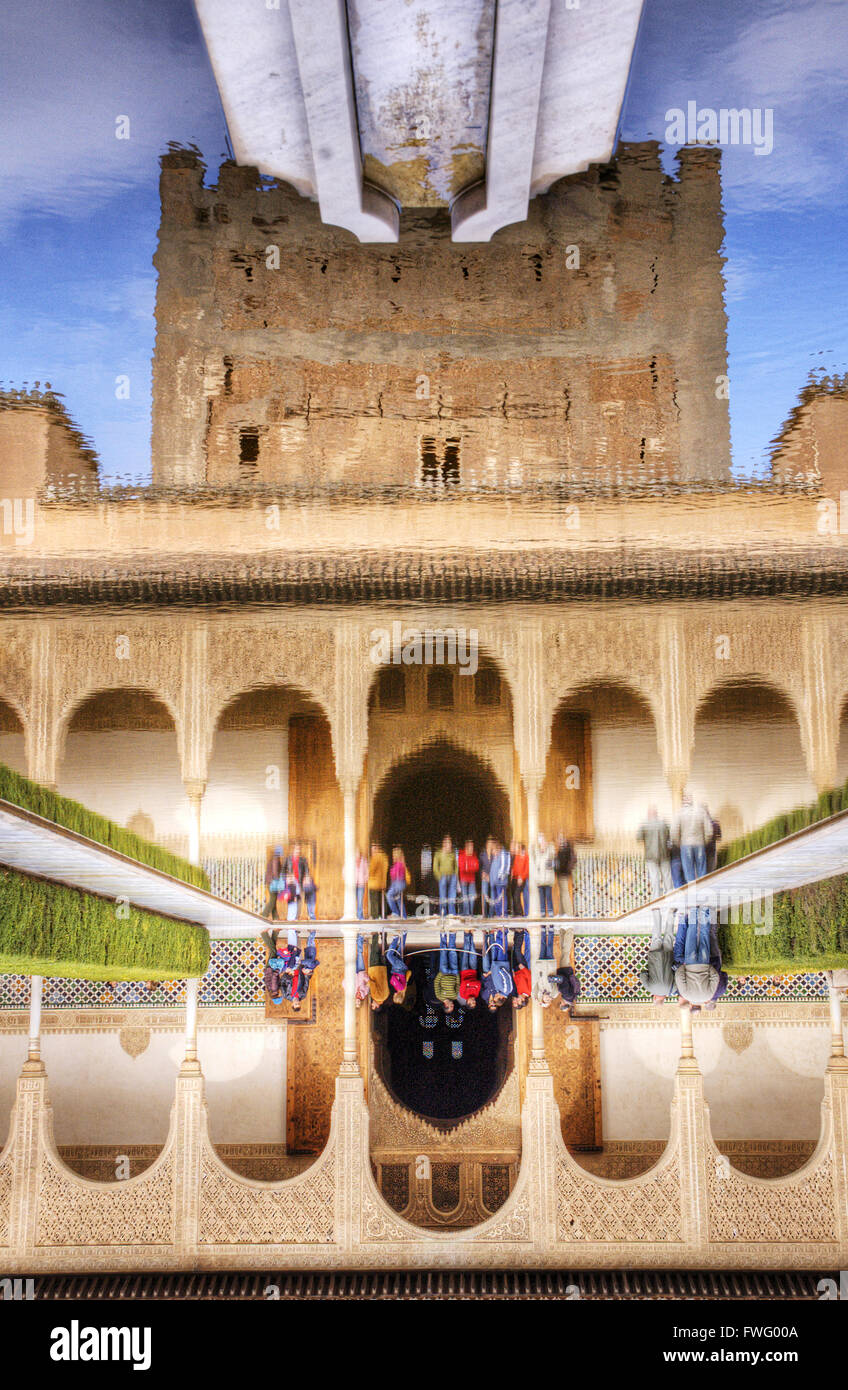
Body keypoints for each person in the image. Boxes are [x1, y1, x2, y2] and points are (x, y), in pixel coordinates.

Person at [673, 912, 728, 1009]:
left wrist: (708, 967)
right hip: (690, 964)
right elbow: (679, 977)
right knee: (691, 935)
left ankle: (705, 912)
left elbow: (715, 977)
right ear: (691, 1005)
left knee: (704, 936)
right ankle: (693, 911)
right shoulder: (686, 995)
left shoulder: (708, 996)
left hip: (704, 963)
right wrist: (684, 967)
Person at [639, 910, 678, 1003]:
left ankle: (671, 914)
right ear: (655, 998)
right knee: (656, 936)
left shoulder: (672, 990)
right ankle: (656, 913)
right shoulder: (650, 988)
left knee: (669, 936)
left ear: (664, 999)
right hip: (654, 957)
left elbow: (677, 975)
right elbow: (643, 974)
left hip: (668, 958)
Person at [637, 806, 672, 899]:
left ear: (648, 814)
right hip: (664, 854)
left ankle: (656, 899)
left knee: (654, 878)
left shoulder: (644, 825)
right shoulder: (664, 824)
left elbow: (639, 838)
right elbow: (670, 836)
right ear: (656, 814)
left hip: (650, 856)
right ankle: (670, 898)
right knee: (667, 878)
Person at [548, 927, 581, 1014]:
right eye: (560, 1003)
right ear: (563, 1004)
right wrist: (551, 979)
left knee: (564, 952)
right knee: (566, 951)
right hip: (565, 970)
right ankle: (569, 932)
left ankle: (562, 931)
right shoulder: (566, 994)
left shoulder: (571, 997)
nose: (560, 1001)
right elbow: (563, 979)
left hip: (567, 971)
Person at [481, 928, 513, 1009]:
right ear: (501, 998)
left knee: (496, 947)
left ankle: (499, 932)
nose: (495, 995)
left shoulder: (499, 991)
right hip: (501, 964)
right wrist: (499, 970)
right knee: (502, 948)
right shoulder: (507, 990)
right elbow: (507, 977)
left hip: (495, 965)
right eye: (496, 997)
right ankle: (504, 931)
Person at [289, 928, 320, 1011]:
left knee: (297, 951)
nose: (297, 1003)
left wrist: (288, 974)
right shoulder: (303, 994)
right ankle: (311, 935)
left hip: (294, 970)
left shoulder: (287, 995)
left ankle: (296, 935)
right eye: (298, 1004)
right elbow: (306, 983)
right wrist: (306, 973)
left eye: (296, 1004)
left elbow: (284, 982)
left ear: (292, 1004)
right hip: (301, 971)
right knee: (306, 954)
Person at [434, 930, 460, 1012]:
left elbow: (436, 983)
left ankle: (443, 935)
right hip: (454, 972)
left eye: (451, 1006)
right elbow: (457, 984)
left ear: (446, 1005)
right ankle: (452, 934)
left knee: (443, 952)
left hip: (444, 972)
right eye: (453, 1006)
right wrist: (457, 975)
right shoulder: (455, 996)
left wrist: (441, 974)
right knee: (453, 952)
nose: (453, 1005)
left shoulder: (439, 996)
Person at [531, 923, 556, 1007]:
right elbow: (557, 987)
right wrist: (551, 996)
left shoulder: (540, 990)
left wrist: (537, 1000)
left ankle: (543, 930)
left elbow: (533, 991)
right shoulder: (553, 993)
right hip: (550, 965)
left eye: (546, 1000)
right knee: (549, 946)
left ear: (543, 999)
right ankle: (551, 930)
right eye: (549, 1000)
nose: (548, 998)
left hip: (541, 965)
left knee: (542, 945)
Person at [433, 835, 458, 917]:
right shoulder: (438, 853)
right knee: (443, 896)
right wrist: (439, 877)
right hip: (443, 876)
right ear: (444, 844)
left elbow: (456, 865)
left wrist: (456, 875)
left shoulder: (453, 853)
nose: (449, 844)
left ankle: (452, 914)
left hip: (452, 877)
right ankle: (443, 914)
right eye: (447, 842)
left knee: (452, 897)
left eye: (450, 842)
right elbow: (435, 867)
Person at [386, 929, 412, 1003]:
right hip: (398, 969)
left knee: (400, 950)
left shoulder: (402, 988)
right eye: (394, 997)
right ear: (396, 996)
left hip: (401, 968)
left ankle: (404, 934)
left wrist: (396, 979)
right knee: (389, 955)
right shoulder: (400, 988)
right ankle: (396, 939)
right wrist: (394, 980)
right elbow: (392, 979)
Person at [532, 833, 556, 916]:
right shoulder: (537, 853)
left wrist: (548, 846)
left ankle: (550, 912)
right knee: (541, 899)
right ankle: (542, 913)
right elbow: (532, 850)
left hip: (548, 879)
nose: (542, 844)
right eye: (540, 842)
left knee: (549, 897)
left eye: (543, 841)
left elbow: (553, 855)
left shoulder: (550, 851)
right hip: (540, 880)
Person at [458, 929, 481, 1008]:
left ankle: (466, 933)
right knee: (473, 951)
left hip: (464, 970)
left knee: (466, 950)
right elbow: (478, 983)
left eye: (472, 1002)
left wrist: (470, 983)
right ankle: (471, 935)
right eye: (475, 1002)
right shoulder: (476, 994)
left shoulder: (463, 994)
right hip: (473, 970)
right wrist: (469, 983)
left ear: (468, 1002)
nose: (474, 1001)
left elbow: (464, 982)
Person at [367, 932, 390, 1010]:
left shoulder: (386, 996)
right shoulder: (376, 996)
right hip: (375, 970)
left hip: (383, 970)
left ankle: (384, 935)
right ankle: (375, 935)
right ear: (377, 1006)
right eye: (373, 1005)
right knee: (374, 951)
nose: (372, 1003)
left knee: (384, 951)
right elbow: (372, 983)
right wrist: (366, 983)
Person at [554, 832, 576, 915]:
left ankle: (569, 913)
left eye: (560, 839)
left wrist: (565, 870)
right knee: (562, 893)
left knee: (565, 893)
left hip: (564, 873)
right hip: (561, 873)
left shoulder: (566, 849)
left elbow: (567, 862)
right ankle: (562, 912)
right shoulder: (563, 849)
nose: (558, 841)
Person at [261, 846, 285, 919]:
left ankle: (276, 918)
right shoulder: (276, 860)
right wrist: (279, 882)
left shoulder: (272, 859)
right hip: (273, 883)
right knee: (272, 901)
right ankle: (264, 915)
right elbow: (275, 872)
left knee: (273, 901)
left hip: (269, 882)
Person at [386, 845, 410, 917]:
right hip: (397, 883)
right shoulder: (400, 864)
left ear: (397, 855)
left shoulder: (399, 864)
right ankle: (404, 916)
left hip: (398, 883)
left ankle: (395, 912)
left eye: (394, 855)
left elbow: (395, 875)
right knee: (399, 901)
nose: (393, 856)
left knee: (389, 895)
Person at [511, 927, 532, 1008]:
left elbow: (517, 982)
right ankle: (520, 932)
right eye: (519, 1001)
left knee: (514, 950)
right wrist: (523, 968)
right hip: (522, 967)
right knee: (517, 950)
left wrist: (514, 975)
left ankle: (517, 932)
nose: (517, 999)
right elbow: (529, 977)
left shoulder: (519, 992)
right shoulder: (529, 991)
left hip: (516, 970)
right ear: (523, 1000)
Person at [489, 839, 511, 917]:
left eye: (493, 850)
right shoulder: (494, 858)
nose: (493, 852)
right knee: (496, 900)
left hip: (500, 882)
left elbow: (504, 867)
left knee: (501, 898)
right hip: (495, 883)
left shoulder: (503, 854)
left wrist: (500, 877)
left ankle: (503, 913)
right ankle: (498, 913)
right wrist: (492, 882)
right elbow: (492, 870)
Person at [367, 842, 389, 920]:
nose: (372, 851)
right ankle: (384, 916)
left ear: (376, 848)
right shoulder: (384, 857)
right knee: (382, 902)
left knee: (374, 902)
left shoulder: (375, 857)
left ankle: (375, 918)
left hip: (374, 883)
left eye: (372, 848)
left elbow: (371, 871)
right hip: (382, 883)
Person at [458, 839, 479, 916]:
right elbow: (462, 868)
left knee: (472, 897)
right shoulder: (461, 855)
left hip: (472, 879)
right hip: (464, 879)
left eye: (472, 847)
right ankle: (466, 913)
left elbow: (476, 867)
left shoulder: (474, 856)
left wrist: (468, 868)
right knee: (465, 897)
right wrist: (470, 867)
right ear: (466, 847)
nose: (472, 849)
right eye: (470, 847)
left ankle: (471, 913)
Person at [510, 841, 529, 917]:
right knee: (513, 895)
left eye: (518, 847)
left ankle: (520, 913)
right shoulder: (517, 856)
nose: (516, 849)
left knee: (516, 895)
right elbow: (515, 867)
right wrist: (512, 875)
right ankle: (515, 913)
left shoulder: (526, 856)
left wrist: (521, 877)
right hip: (515, 878)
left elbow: (526, 869)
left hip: (521, 878)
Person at [479, 836, 494, 917]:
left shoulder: (494, 855)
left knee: (492, 897)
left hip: (492, 878)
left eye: (491, 843)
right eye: (489, 843)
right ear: (486, 844)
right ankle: (484, 914)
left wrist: (490, 876)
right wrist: (482, 873)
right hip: (484, 877)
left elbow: (495, 867)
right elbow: (479, 866)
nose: (490, 845)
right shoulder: (482, 854)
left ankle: (491, 914)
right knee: (484, 896)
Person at [354, 933, 370, 1007]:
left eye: (356, 1003)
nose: (358, 1001)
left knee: (354, 954)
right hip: (361, 971)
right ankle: (360, 938)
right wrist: (364, 976)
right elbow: (368, 982)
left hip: (353, 972)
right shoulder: (365, 992)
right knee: (360, 954)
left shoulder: (352, 992)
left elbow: (344, 983)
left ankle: (356, 939)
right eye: (359, 1003)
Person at [704, 807, 722, 874]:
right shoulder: (715, 824)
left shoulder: (700, 824)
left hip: (702, 848)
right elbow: (719, 838)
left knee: (702, 869)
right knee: (711, 868)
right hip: (712, 848)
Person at [354, 849, 369, 920]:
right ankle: (353, 916)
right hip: (352, 885)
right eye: (356, 856)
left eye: (358, 856)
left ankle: (360, 917)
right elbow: (344, 871)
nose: (357, 858)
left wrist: (364, 880)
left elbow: (367, 872)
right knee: (352, 902)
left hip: (361, 885)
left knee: (360, 902)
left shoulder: (364, 861)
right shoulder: (350, 861)